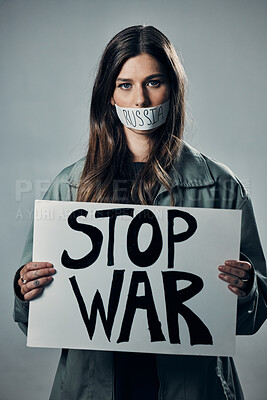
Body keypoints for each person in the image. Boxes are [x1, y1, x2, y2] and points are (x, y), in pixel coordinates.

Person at [14, 25, 267, 400]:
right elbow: (33, 317)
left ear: (173, 88)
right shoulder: (68, 187)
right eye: (125, 85)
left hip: (193, 387)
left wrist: (247, 289)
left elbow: (253, 316)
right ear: (109, 95)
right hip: (93, 385)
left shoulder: (221, 186)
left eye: (153, 82)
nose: (141, 101)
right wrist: (25, 290)